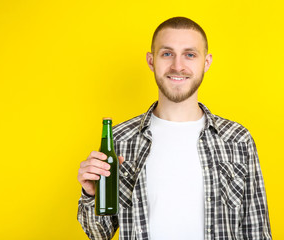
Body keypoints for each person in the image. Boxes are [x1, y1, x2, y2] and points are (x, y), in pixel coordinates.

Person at [77, 16, 272, 240]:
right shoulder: (119, 140)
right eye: (167, 53)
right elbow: (98, 234)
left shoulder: (237, 139)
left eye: (190, 54)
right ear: (151, 61)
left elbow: (257, 232)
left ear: (206, 63)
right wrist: (91, 194)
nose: (178, 66)